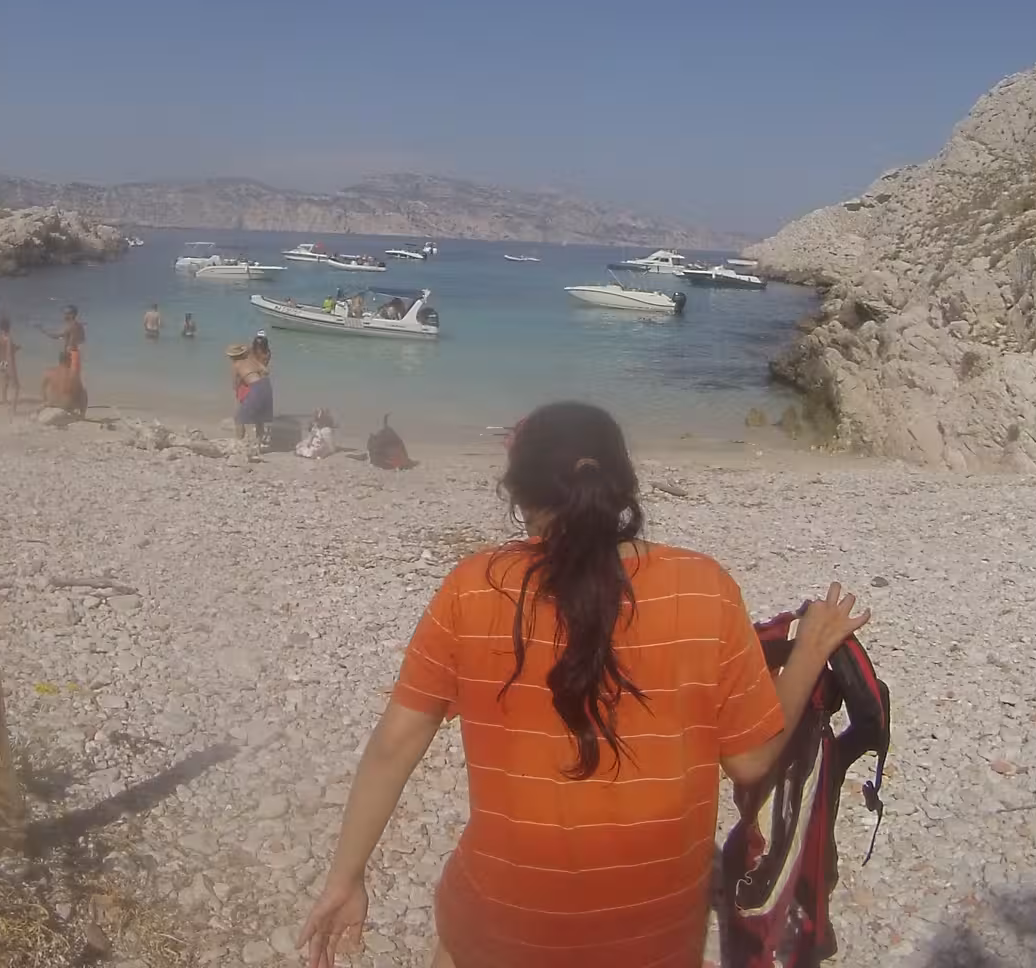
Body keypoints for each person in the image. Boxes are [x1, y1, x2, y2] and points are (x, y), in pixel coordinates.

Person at [296, 401, 871, 968]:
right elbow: (751, 763)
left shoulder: (474, 590)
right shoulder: (705, 590)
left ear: (519, 496)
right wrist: (809, 653)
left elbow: (395, 744)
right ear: (624, 487)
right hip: (655, 940)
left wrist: (346, 878)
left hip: (501, 928)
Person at [235, 335, 274, 443]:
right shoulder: (267, 354)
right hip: (262, 384)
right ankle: (258, 442)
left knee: (239, 417)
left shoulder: (251, 355)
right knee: (259, 419)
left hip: (247, 385)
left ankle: (239, 441)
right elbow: (264, 371)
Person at [40, 343, 88, 418]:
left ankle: (47, 404)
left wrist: (45, 400)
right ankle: (82, 415)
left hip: (52, 404)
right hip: (66, 406)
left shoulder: (49, 372)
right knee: (84, 391)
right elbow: (79, 392)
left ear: (59, 360)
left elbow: (42, 389)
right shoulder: (73, 374)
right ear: (69, 360)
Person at [0, 316, 21, 413]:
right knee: (16, 386)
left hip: (1, 361)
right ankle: (13, 410)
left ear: (0, 327)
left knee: (5, 381)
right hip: (8, 362)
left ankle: (4, 400)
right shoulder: (8, 338)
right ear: (9, 327)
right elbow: (9, 353)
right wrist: (11, 367)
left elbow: (0, 351)